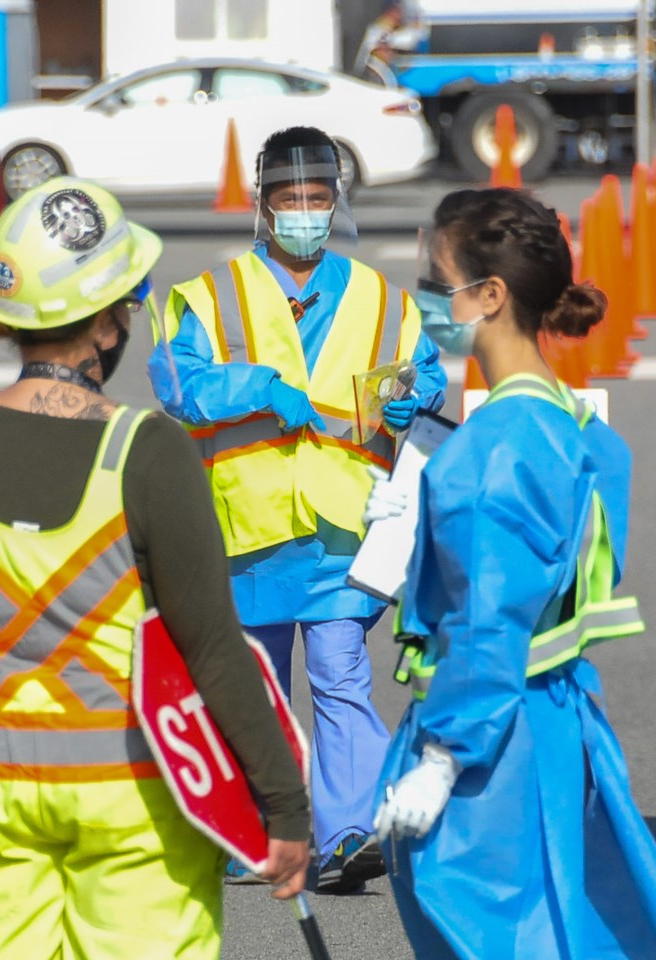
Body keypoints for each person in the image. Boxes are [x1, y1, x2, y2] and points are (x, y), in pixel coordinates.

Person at [0, 176, 310, 960]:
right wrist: (282, 804)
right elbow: (211, 646)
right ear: (107, 323)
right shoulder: (145, 453)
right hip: (131, 796)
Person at [368, 187, 656, 959]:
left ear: (488, 295)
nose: (424, 292)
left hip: (489, 741)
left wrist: (441, 758)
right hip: (558, 718)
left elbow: (487, 625)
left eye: (435, 275)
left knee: (494, 931)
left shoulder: (489, 453)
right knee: (574, 922)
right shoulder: (574, 423)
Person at [147, 126, 447, 892]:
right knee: (258, 688)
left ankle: (349, 832)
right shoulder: (211, 297)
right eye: (291, 201)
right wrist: (255, 388)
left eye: (318, 199)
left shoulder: (383, 301)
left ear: (335, 202)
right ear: (264, 205)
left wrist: (423, 393)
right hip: (246, 530)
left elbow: (427, 371)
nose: (306, 213)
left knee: (341, 674)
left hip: (344, 529)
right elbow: (176, 384)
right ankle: (257, 831)